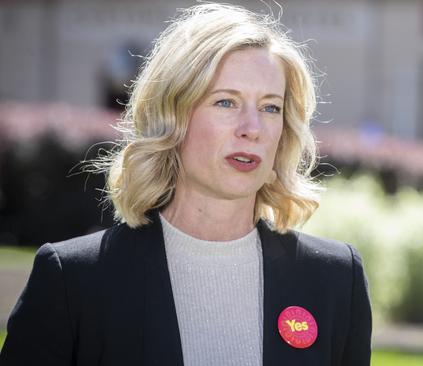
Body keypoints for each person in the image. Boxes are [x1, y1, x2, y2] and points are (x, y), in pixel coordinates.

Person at [0, 3, 372, 365]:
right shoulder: (72, 281)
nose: (252, 128)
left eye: (270, 107)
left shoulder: (337, 279)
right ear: (172, 117)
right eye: (226, 102)